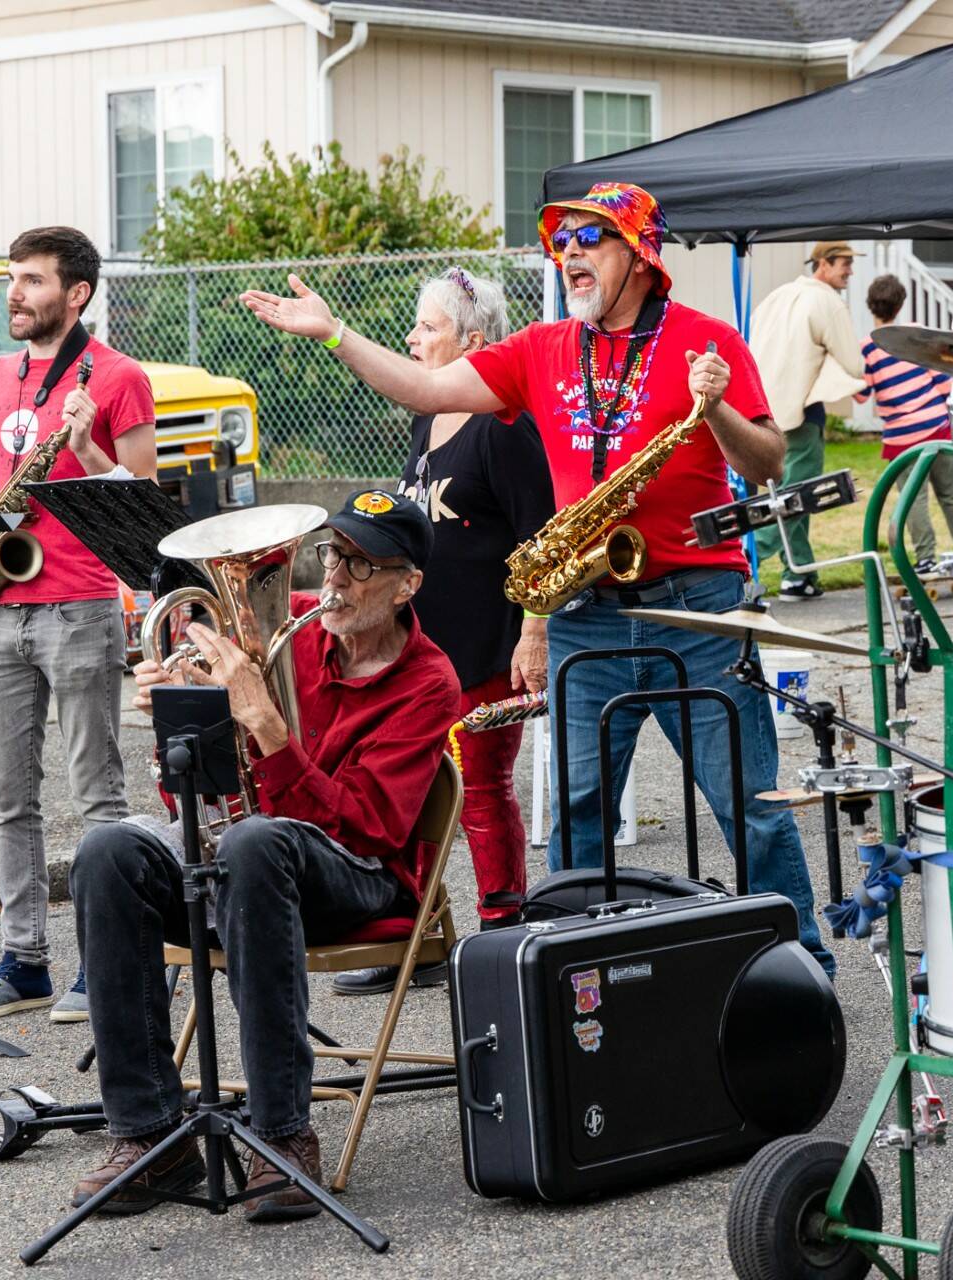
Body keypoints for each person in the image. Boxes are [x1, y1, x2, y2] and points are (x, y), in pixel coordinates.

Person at [242, 182, 835, 976]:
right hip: (585, 611)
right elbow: (424, 387)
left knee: (748, 806)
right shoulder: (543, 348)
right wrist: (335, 333)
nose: (572, 253)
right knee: (577, 816)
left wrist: (717, 407)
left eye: (592, 239)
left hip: (699, 609)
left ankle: (803, 970)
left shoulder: (705, 340)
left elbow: (764, 463)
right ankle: (580, 989)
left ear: (640, 255)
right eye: (565, 242)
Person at [68, 491, 456, 1219]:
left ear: (408, 585)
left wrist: (267, 726)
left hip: (361, 879)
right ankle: (151, 1132)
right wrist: (185, 722)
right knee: (108, 849)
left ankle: (282, 1135)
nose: (335, 579)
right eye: (332, 555)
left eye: (362, 566)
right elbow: (200, 799)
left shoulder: (429, 681)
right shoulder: (295, 638)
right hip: (260, 863)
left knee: (256, 843)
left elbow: (364, 834)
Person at [0, 226, 157, 1024]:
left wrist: (85, 448)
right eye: (11, 278)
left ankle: (104, 963)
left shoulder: (121, 378)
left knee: (97, 796)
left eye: (31, 280)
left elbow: (141, 500)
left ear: (77, 294)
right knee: (9, 797)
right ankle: (23, 959)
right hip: (1, 604)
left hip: (79, 604)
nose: (15, 293)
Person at [320, 266, 551, 998]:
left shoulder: (503, 425)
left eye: (428, 327)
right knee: (412, 791)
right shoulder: (428, 416)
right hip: (425, 645)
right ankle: (411, 936)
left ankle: (502, 931)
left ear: (474, 342)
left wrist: (534, 634)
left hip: (487, 638)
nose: (413, 338)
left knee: (481, 786)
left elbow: (538, 536)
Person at [748, 242, 866, 600]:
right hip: (801, 410)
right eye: (845, 264)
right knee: (796, 497)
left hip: (761, 411)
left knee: (785, 492)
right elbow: (853, 363)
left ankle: (798, 575)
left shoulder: (778, 296)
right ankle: (748, 557)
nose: (849, 271)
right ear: (823, 264)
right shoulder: (827, 301)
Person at [854, 273, 953, 570]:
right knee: (950, 493)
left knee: (914, 500)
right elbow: (941, 376)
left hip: (901, 437)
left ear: (871, 306)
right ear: (901, 304)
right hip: (936, 424)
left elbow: (861, 396)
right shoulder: (917, 333)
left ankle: (925, 559)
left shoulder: (867, 347)